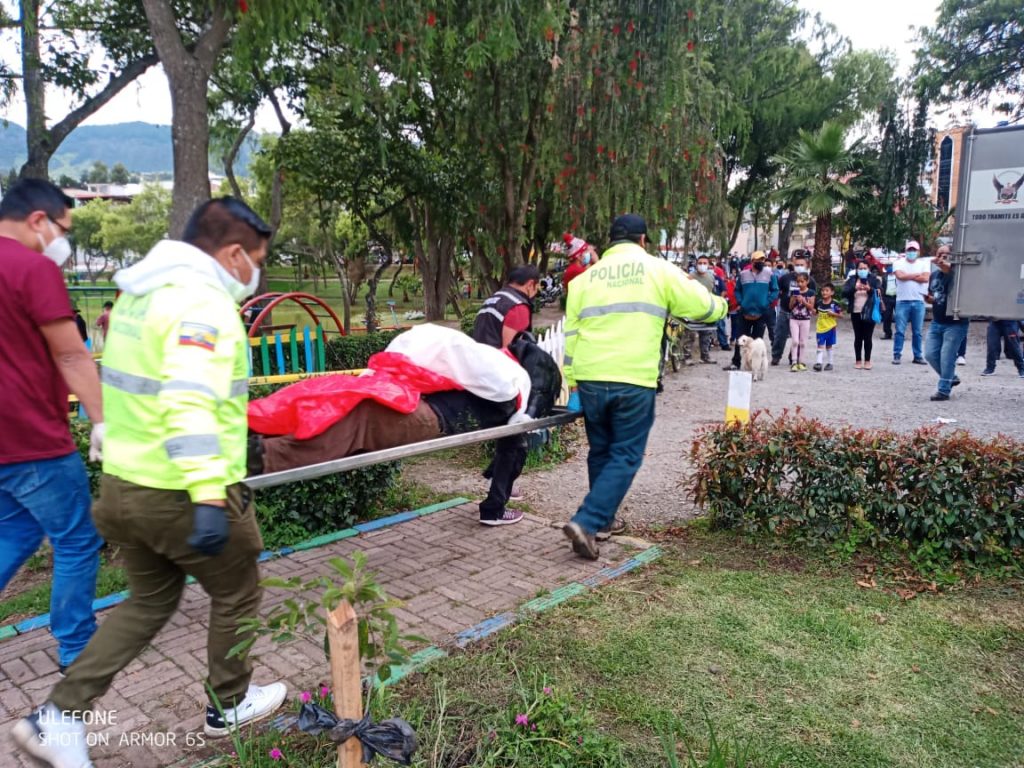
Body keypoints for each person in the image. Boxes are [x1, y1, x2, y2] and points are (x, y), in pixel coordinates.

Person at [12, 197, 286, 768]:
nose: (253, 275)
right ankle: (228, 704)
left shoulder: (140, 293)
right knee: (238, 591)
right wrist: (211, 492)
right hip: (180, 490)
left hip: (124, 483)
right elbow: (188, 400)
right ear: (233, 253)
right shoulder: (201, 305)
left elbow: (137, 384)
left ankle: (59, 717)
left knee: (149, 601)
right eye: (255, 261)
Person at [562, 214, 727, 559]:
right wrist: (721, 306)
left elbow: (571, 336)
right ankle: (588, 520)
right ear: (642, 240)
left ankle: (602, 523)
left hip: (591, 377)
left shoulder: (583, 280)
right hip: (632, 378)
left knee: (601, 451)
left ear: (609, 242)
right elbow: (702, 306)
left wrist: (573, 382)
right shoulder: (658, 270)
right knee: (626, 454)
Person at [0, 179, 104, 676]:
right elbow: (69, 352)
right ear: (38, 220)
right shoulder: (32, 268)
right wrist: (103, 420)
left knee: (15, 535)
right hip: (33, 440)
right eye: (64, 227)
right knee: (77, 539)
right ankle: (77, 647)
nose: (64, 240)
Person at [471, 265, 542, 525]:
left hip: (479, 375)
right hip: (500, 382)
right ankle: (494, 509)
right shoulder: (518, 306)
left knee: (507, 440)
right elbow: (509, 349)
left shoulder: (495, 298)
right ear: (531, 284)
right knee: (515, 445)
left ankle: (500, 481)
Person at [924, 245, 970, 400]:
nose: (942, 257)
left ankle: (943, 390)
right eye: (939, 254)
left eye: (946, 254)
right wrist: (930, 299)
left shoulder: (958, 274)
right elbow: (936, 294)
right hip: (937, 321)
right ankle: (951, 377)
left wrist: (945, 265)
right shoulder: (934, 275)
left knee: (947, 356)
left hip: (955, 323)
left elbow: (949, 271)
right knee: (930, 354)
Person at [723, 251, 778, 371]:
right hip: (744, 312)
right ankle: (736, 363)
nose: (761, 262)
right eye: (758, 260)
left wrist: (767, 302)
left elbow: (775, 290)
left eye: (763, 260)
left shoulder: (770, 274)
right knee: (740, 339)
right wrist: (741, 302)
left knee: (757, 341)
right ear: (752, 261)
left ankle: (754, 365)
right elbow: (737, 290)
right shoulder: (743, 275)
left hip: (761, 312)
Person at [771, 253, 817, 366]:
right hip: (785, 311)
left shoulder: (810, 281)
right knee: (780, 336)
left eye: (802, 264)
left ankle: (794, 357)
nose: (799, 266)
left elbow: (813, 298)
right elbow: (778, 290)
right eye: (797, 264)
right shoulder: (785, 278)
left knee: (799, 338)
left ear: (806, 265)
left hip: (801, 315)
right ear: (793, 264)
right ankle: (776, 356)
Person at [892, 239, 930, 365]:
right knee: (900, 330)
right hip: (902, 301)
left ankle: (918, 355)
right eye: (909, 250)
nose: (911, 252)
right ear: (906, 251)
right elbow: (900, 276)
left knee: (918, 331)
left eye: (914, 250)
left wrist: (908, 275)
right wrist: (916, 275)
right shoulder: (898, 263)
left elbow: (925, 278)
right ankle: (897, 354)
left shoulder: (924, 263)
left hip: (918, 301)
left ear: (918, 252)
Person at [843, 260, 881, 370]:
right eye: (860, 268)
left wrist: (870, 289)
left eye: (865, 268)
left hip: (869, 312)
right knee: (858, 337)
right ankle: (858, 360)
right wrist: (855, 288)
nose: (862, 270)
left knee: (868, 337)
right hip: (856, 311)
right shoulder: (852, 280)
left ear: (868, 269)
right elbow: (844, 293)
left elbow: (879, 292)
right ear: (857, 269)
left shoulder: (874, 280)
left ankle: (868, 360)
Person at [682, 255, 717, 364]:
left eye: (704, 263)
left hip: (706, 310)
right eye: (700, 263)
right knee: (690, 335)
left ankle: (705, 356)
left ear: (708, 264)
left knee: (706, 334)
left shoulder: (711, 277)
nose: (702, 265)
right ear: (696, 264)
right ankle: (687, 357)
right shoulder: (690, 277)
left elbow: (713, 292)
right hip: (693, 310)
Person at [787, 273, 815, 372]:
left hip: (805, 319)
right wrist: (794, 300)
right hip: (794, 319)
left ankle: (802, 361)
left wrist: (803, 301)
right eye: (798, 281)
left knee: (803, 342)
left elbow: (811, 307)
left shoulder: (811, 292)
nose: (800, 283)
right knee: (795, 341)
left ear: (807, 281)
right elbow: (790, 307)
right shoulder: (794, 292)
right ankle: (794, 361)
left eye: (802, 281)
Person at [813, 283, 842, 371]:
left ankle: (830, 363)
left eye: (826, 290)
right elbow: (815, 313)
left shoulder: (835, 304)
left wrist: (833, 314)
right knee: (819, 345)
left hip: (831, 328)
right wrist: (812, 310)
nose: (824, 292)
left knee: (829, 346)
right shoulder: (818, 303)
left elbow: (841, 315)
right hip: (820, 328)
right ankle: (819, 363)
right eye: (822, 290)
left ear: (832, 292)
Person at [880, 263, 897, 339]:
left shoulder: (898, 277)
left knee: (900, 317)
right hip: (887, 298)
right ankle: (887, 333)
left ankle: (900, 333)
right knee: (886, 317)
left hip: (897, 298)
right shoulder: (884, 277)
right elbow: (881, 288)